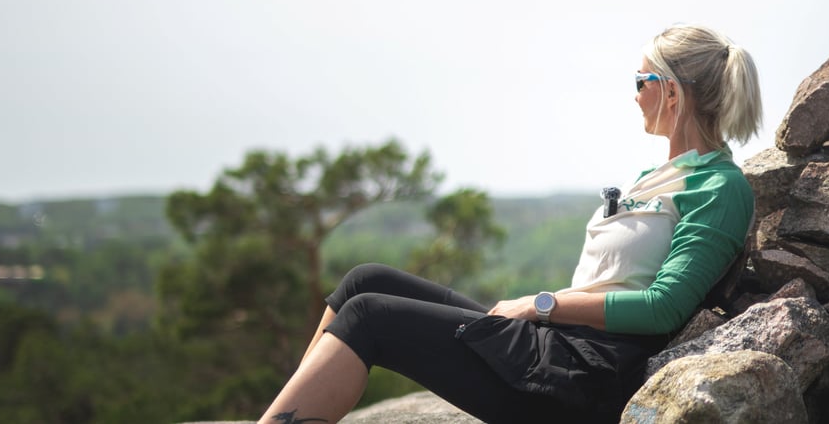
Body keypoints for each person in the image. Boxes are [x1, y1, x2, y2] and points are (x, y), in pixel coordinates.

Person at [258, 23, 763, 424]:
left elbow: (662, 309)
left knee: (371, 315)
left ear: (671, 93)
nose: (634, 95)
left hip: (582, 375)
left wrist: (542, 304)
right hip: (558, 347)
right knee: (364, 281)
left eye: (641, 82)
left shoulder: (719, 188)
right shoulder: (655, 177)